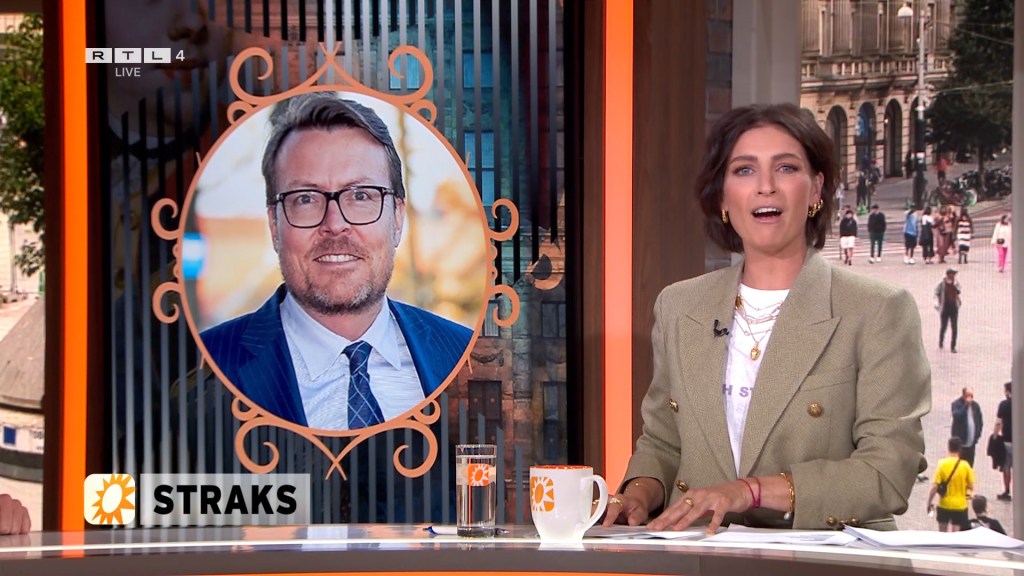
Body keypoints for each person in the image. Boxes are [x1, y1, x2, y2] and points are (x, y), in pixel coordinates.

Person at [601, 103, 931, 533]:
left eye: (786, 168)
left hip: (820, 557)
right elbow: (663, 440)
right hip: (700, 553)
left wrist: (751, 491)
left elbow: (889, 470)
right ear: (722, 195)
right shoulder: (679, 306)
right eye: (744, 170)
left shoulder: (877, 309)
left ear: (816, 189)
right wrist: (638, 493)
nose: (766, 187)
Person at [200, 93, 473, 430]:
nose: (335, 224)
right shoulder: (207, 365)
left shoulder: (463, 352)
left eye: (361, 195)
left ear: (397, 218)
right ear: (274, 225)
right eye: (306, 199)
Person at [926, 437, 974, 533]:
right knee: (955, 535)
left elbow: (935, 486)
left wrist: (929, 502)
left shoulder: (942, 464)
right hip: (960, 506)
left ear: (948, 447)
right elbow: (971, 486)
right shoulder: (965, 466)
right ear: (960, 449)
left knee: (942, 534)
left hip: (944, 504)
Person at [950, 387, 983, 467]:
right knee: (959, 466)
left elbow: (980, 421)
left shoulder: (975, 406)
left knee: (969, 466)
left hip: (972, 443)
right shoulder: (956, 404)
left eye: (972, 396)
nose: (970, 398)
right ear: (963, 395)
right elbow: (957, 416)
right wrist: (966, 406)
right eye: (968, 395)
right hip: (960, 443)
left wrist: (977, 435)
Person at [934, 268, 961, 353]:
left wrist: (955, 286)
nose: (954, 276)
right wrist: (937, 303)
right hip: (945, 307)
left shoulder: (955, 283)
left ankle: (953, 346)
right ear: (948, 275)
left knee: (954, 327)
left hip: (954, 307)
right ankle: (941, 341)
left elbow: (958, 291)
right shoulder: (942, 284)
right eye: (952, 274)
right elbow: (936, 293)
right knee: (944, 326)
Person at [995, 381, 1013, 501]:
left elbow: (998, 422)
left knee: (1006, 467)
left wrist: (995, 436)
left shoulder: (1004, 405)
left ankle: (1007, 491)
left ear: (1007, 391)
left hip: (1007, 440)